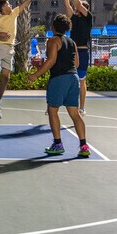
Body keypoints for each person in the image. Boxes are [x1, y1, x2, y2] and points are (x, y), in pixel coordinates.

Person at [28, 14, 90, 158]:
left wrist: (35, 75)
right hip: (74, 78)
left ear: (53, 27)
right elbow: (77, 64)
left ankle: (58, 144)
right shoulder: (72, 42)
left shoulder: (53, 41)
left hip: (59, 78)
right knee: (75, 114)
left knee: (52, 111)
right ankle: (84, 145)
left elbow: (51, 61)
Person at [59, 0, 92, 116]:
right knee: (66, 77)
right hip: (72, 51)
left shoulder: (88, 17)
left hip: (83, 51)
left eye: (81, 7)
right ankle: (58, 103)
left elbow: (77, 3)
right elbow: (68, 5)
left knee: (82, 80)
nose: (78, 7)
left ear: (85, 9)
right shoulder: (74, 18)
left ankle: (82, 107)